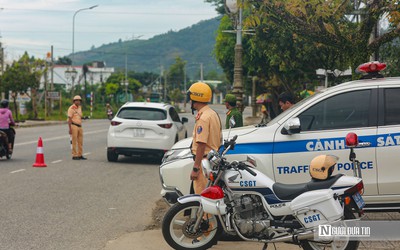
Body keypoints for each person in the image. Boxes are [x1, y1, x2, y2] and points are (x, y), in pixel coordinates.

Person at [187, 82, 222, 195]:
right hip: (212, 161)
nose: (189, 101)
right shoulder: (212, 114)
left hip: (204, 164)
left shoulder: (203, 118)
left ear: (195, 98)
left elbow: (201, 144)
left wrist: (196, 168)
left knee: (202, 199)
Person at [68, 95, 87, 160]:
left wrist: (84, 118)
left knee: (80, 141)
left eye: (79, 100)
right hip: (74, 126)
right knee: (74, 141)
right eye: (77, 100)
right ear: (74, 101)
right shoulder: (71, 108)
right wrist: (70, 129)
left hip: (80, 126)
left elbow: (80, 116)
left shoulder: (79, 107)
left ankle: (80, 154)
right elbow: (69, 119)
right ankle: (74, 155)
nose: (78, 101)